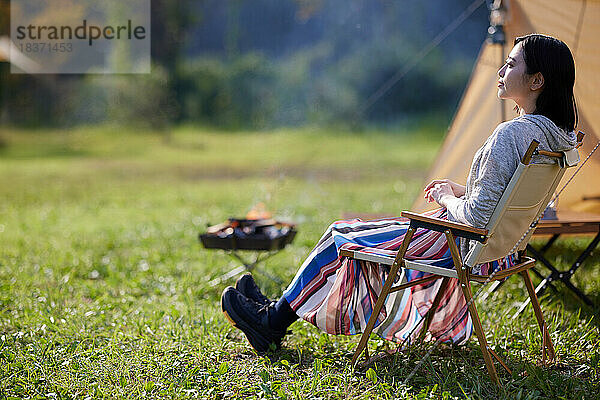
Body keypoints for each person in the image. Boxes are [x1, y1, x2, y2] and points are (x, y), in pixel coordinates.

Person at [221, 34, 578, 354]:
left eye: (512, 63)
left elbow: (475, 218)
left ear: (536, 80)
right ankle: (274, 308)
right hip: (501, 251)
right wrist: (464, 191)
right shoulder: (554, 138)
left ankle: (271, 323)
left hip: (459, 244)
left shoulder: (510, 135)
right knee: (352, 232)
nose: (502, 68)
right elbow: (508, 202)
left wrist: (445, 199)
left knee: (339, 235)